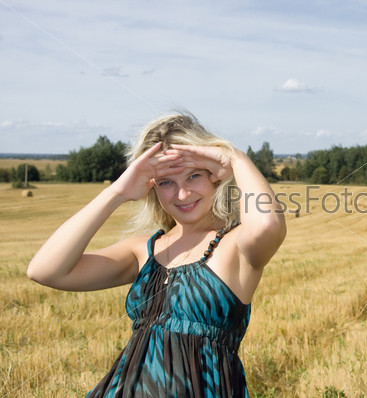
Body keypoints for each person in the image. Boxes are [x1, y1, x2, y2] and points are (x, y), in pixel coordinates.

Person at [27, 112, 286, 397]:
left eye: (194, 176)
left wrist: (235, 159)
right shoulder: (142, 251)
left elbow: (268, 224)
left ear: (215, 176)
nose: (182, 194)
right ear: (152, 188)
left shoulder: (236, 246)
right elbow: (45, 270)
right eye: (166, 182)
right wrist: (117, 192)